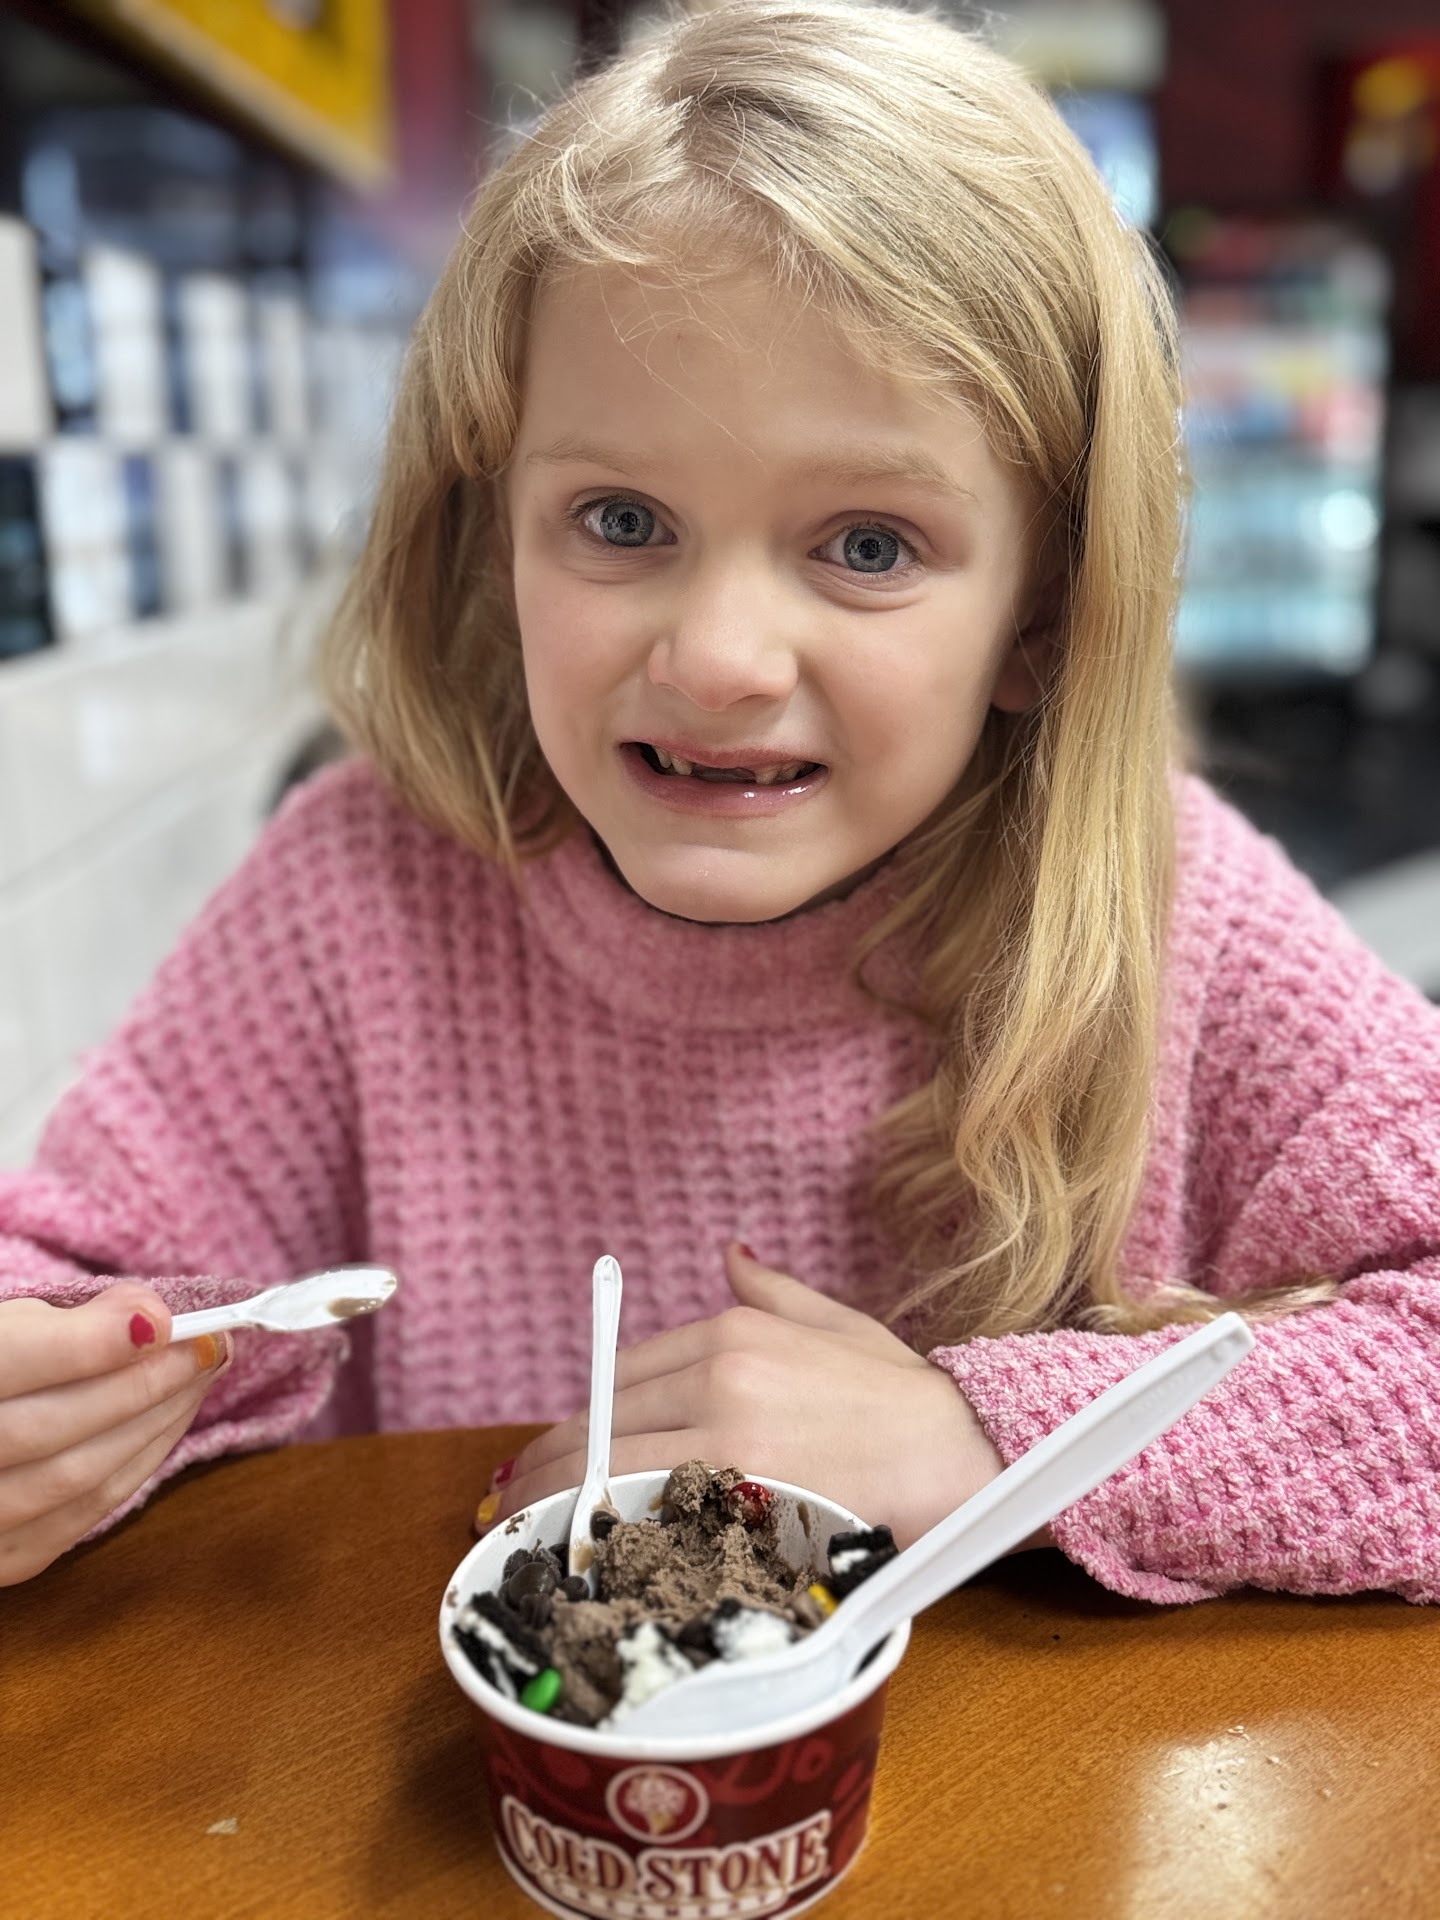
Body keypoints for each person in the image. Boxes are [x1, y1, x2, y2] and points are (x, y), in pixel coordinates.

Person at [3, 0, 1438, 1604]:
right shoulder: (361, 896)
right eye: (622, 521)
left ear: (1041, 616)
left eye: (869, 546)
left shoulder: (1167, 913)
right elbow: (76, 1274)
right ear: (491, 531)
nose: (720, 660)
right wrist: (50, 1381)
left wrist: (989, 1443)